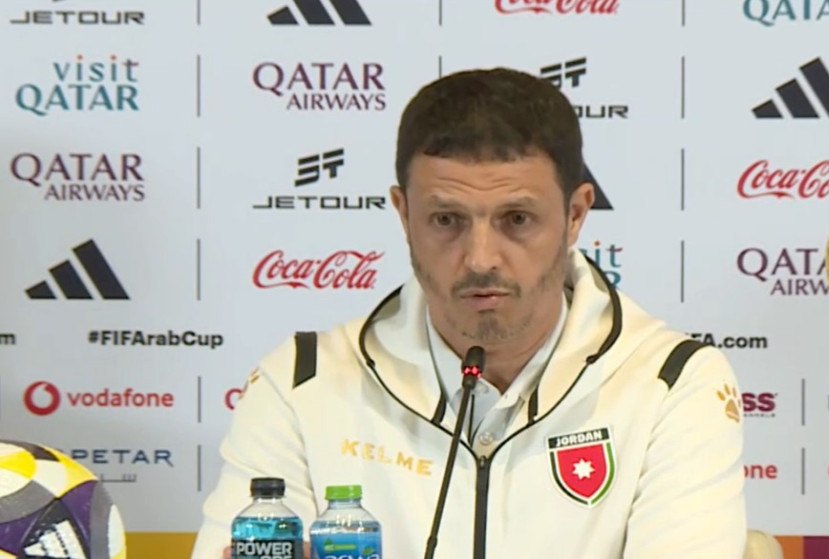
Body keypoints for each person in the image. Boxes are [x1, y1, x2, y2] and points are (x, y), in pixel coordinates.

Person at [192, 67, 746, 559]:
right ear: (404, 214)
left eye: (516, 219)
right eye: (447, 220)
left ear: (576, 214)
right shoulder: (302, 382)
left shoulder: (671, 383)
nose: (481, 259)